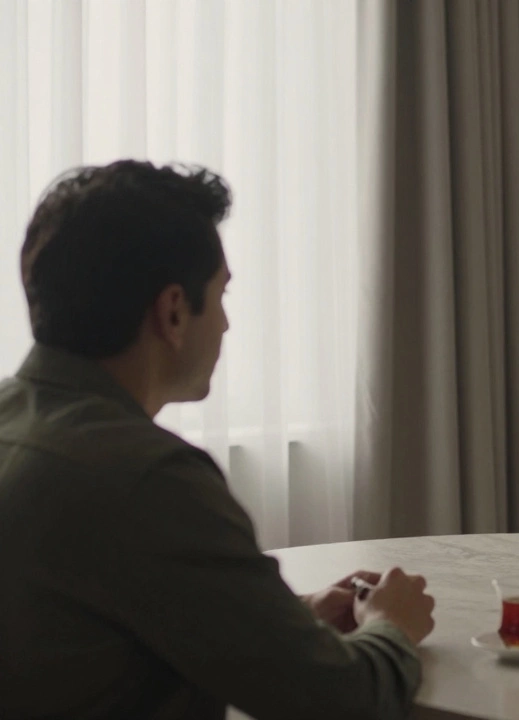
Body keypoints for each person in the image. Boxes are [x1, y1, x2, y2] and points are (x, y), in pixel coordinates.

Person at [0, 160, 435, 719]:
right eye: (222, 294)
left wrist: (283, 621)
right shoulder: (147, 480)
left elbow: (84, 632)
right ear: (173, 312)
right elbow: (344, 702)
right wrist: (392, 626)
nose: (227, 324)